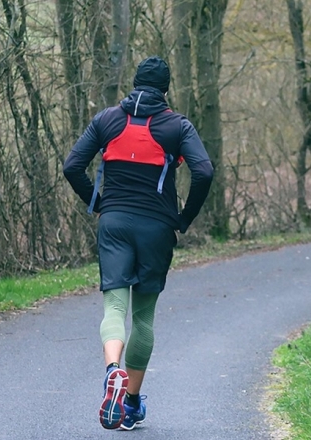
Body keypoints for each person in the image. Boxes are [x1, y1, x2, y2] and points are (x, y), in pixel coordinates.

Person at [62, 55, 214, 431]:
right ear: (166, 90)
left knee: (114, 305)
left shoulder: (108, 119)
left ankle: (112, 369)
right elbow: (204, 170)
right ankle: (130, 403)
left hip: (113, 222)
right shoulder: (178, 125)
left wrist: (97, 203)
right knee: (143, 316)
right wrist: (184, 217)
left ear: (134, 84)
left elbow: (71, 166)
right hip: (157, 228)